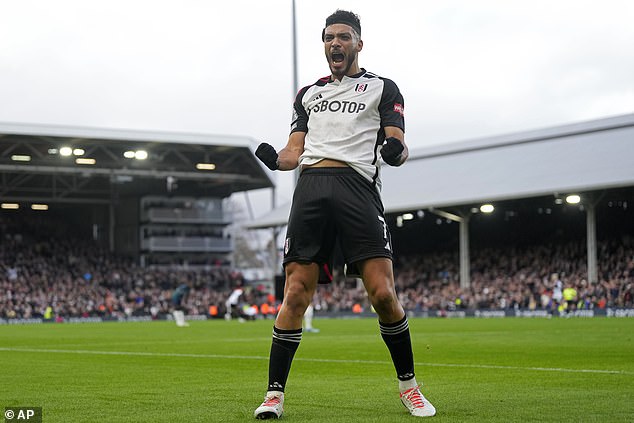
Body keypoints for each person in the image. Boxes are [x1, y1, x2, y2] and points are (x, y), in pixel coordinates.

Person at [253, 10, 435, 419]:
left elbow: (399, 146)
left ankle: (409, 387)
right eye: (329, 37)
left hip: (357, 188)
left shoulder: (382, 88)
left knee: (383, 294)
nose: (335, 43)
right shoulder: (308, 94)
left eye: (344, 37)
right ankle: (273, 396)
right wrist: (275, 160)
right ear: (324, 44)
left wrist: (394, 152)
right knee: (295, 293)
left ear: (358, 43)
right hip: (311, 189)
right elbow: (293, 153)